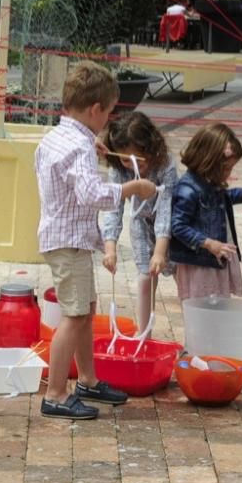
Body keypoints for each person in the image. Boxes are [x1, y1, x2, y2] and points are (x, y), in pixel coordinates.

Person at [35, 61, 156, 420]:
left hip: (64, 236)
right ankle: (56, 393)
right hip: (69, 240)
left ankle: (87, 379)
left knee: (85, 312)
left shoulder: (58, 136)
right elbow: (91, 195)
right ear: (94, 110)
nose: (109, 121)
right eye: (108, 113)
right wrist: (132, 188)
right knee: (73, 316)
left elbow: (63, 172)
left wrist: (94, 150)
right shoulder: (80, 147)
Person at [101, 111, 179, 332]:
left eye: (138, 158)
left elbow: (166, 209)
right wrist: (110, 249)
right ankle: (143, 333)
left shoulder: (166, 164)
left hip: (173, 227)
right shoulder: (118, 168)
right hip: (141, 225)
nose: (131, 165)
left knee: (183, 277)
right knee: (145, 276)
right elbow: (113, 208)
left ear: (151, 149)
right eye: (125, 160)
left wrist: (161, 252)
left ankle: (194, 335)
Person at [169, 123, 242, 302]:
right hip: (200, 264)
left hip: (212, 260)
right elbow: (178, 226)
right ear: (208, 161)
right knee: (202, 309)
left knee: (217, 307)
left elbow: (223, 197)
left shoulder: (208, 182)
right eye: (226, 168)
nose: (229, 174)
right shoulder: (188, 188)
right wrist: (208, 243)